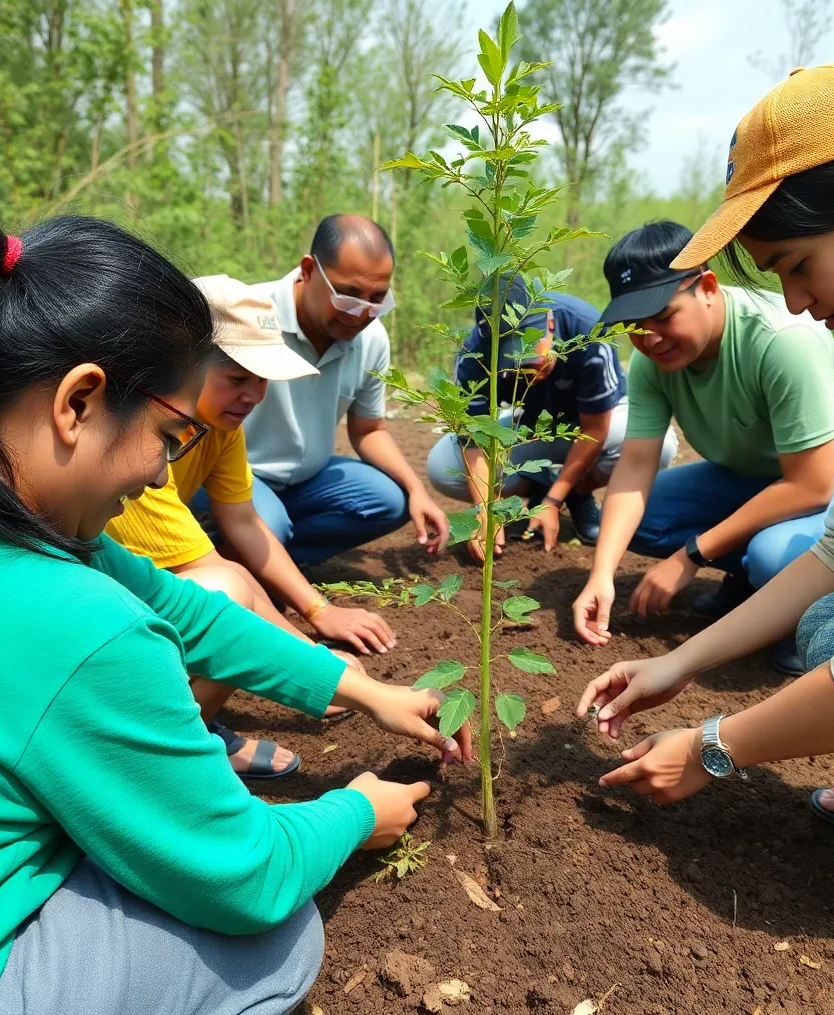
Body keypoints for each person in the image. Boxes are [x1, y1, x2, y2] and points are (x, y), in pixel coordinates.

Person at [0, 211, 470, 1015]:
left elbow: (189, 613)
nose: (162, 471)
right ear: (79, 402)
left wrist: (365, 690)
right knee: (276, 934)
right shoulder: (81, 623)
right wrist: (354, 812)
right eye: (168, 436)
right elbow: (244, 874)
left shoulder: (32, 528)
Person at [577, 64, 834, 991]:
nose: (798, 302)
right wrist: (676, 668)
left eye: (799, 265)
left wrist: (715, 749)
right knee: (826, 626)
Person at [105, 275, 396, 778]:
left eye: (262, 379)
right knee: (226, 594)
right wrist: (315, 666)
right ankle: (169, 754)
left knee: (232, 588)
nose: (254, 395)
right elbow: (217, 581)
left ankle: (192, 726)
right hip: (80, 622)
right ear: (181, 366)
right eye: (237, 378)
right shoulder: (135, 446)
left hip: (123, 592)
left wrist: (316, 610)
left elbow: (243, 521)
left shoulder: (217, 428)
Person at [572, 219, 834, 674]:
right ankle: (750, 578)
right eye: (633, 325)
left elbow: (811, 486)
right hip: (749, 476)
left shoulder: (781, 340)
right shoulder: (655, 361)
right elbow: (635, 467)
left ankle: (813, 613)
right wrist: (601, 574)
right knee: (638, 519)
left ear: (706, 286)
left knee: (773, 555)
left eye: (664, 317)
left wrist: (692, 555)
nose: (649, 338)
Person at [240, 214, 449, 564]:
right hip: (238, 475)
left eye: (377, 299)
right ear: (308, 270)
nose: (360, 314)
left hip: (306, 481)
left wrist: (417, 490)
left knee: (389, 500)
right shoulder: (250, 316)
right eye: (349, 295)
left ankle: (272, 560)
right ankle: (253, 550)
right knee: (266, 528)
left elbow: (368, 428)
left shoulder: (371, 339)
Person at [426, 273, 676, 560]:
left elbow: (595, 428)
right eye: (514, 358)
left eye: (533, 347)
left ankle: (576, 491)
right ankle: (542, 484)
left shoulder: (588, 329)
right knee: (442, 466)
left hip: (592, 424)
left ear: (549, 321)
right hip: (529, 426)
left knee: (660, 445)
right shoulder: (474, 354)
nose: (530, 364)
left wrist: (555, 501)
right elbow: (474, 439)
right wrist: (485, 510)